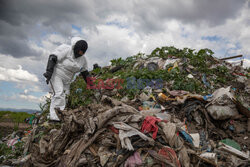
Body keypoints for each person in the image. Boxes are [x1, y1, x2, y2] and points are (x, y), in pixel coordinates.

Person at [43, 37, 90, 121]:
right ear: (75, 48)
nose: (79, 54)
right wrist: (49, 72)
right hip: (57, 75)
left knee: (66, 97)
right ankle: (55, 118)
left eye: (81, 53)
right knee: (59, 93)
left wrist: (91, 85)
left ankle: (58, 115)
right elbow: (53, 57)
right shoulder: (67, 50)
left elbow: (85, 72)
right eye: (78, 52)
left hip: (67, 80)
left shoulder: (83, 60)